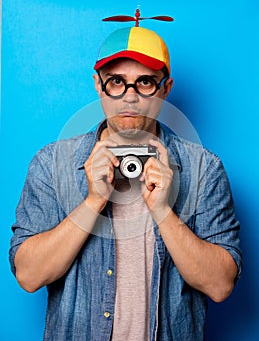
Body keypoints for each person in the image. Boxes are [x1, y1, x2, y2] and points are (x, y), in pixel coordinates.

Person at [9, 25, 242, 341]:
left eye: (145, 82)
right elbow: (28, 275)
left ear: (165, 88)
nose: (129, 97)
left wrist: (163, 211)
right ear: (98, 86)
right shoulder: (52, 164)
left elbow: (220, 285)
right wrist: (92, 201)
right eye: (116, 82)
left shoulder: (204, 169)